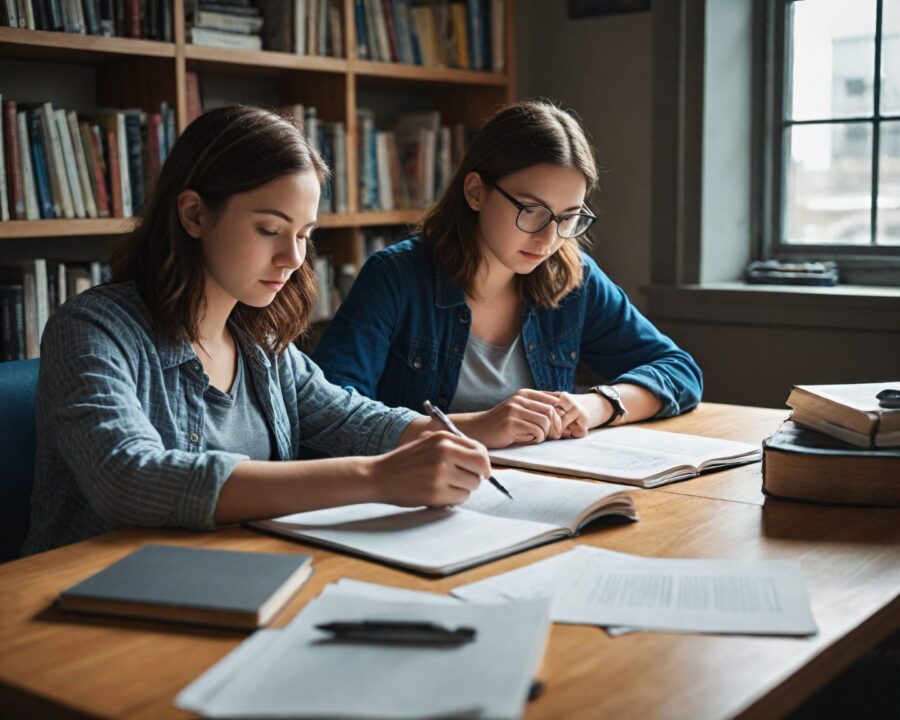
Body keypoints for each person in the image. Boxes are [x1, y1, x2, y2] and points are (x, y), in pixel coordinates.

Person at [23, 106, 493, 556]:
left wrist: (474, 434)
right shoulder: (92, 329)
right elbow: (128, 477)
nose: (293, 259)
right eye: (270, 229)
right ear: (194, 215)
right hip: (92, 599)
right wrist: (375, 478)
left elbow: (353, 420)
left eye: (304, 234)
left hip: (236, 575)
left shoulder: (259, 341)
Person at [313, 100, 703, 448]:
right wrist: (476, 428)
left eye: (568, 217)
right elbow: (329, 414)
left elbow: (680, 371)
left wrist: (598, 404)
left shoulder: (572, 276)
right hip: (416, 500)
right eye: (530, 209)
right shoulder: (396, 278)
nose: (550, 238)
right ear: (475, 192)